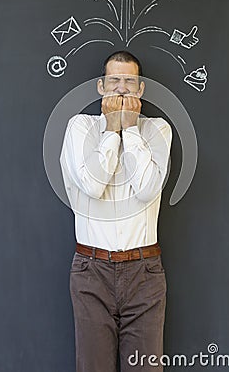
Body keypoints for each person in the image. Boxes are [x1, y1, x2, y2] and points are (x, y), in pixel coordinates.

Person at [59, 51, 172, 372]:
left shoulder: (158, 130)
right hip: (91, 271)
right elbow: (92, 185)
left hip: (145, 272)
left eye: (129, 83)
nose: (121, 90)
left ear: (140, 90)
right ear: (100, 87)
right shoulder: (79, 127)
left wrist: (131, 129)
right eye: (114, 82)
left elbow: (148, 189)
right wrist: (111, 130)